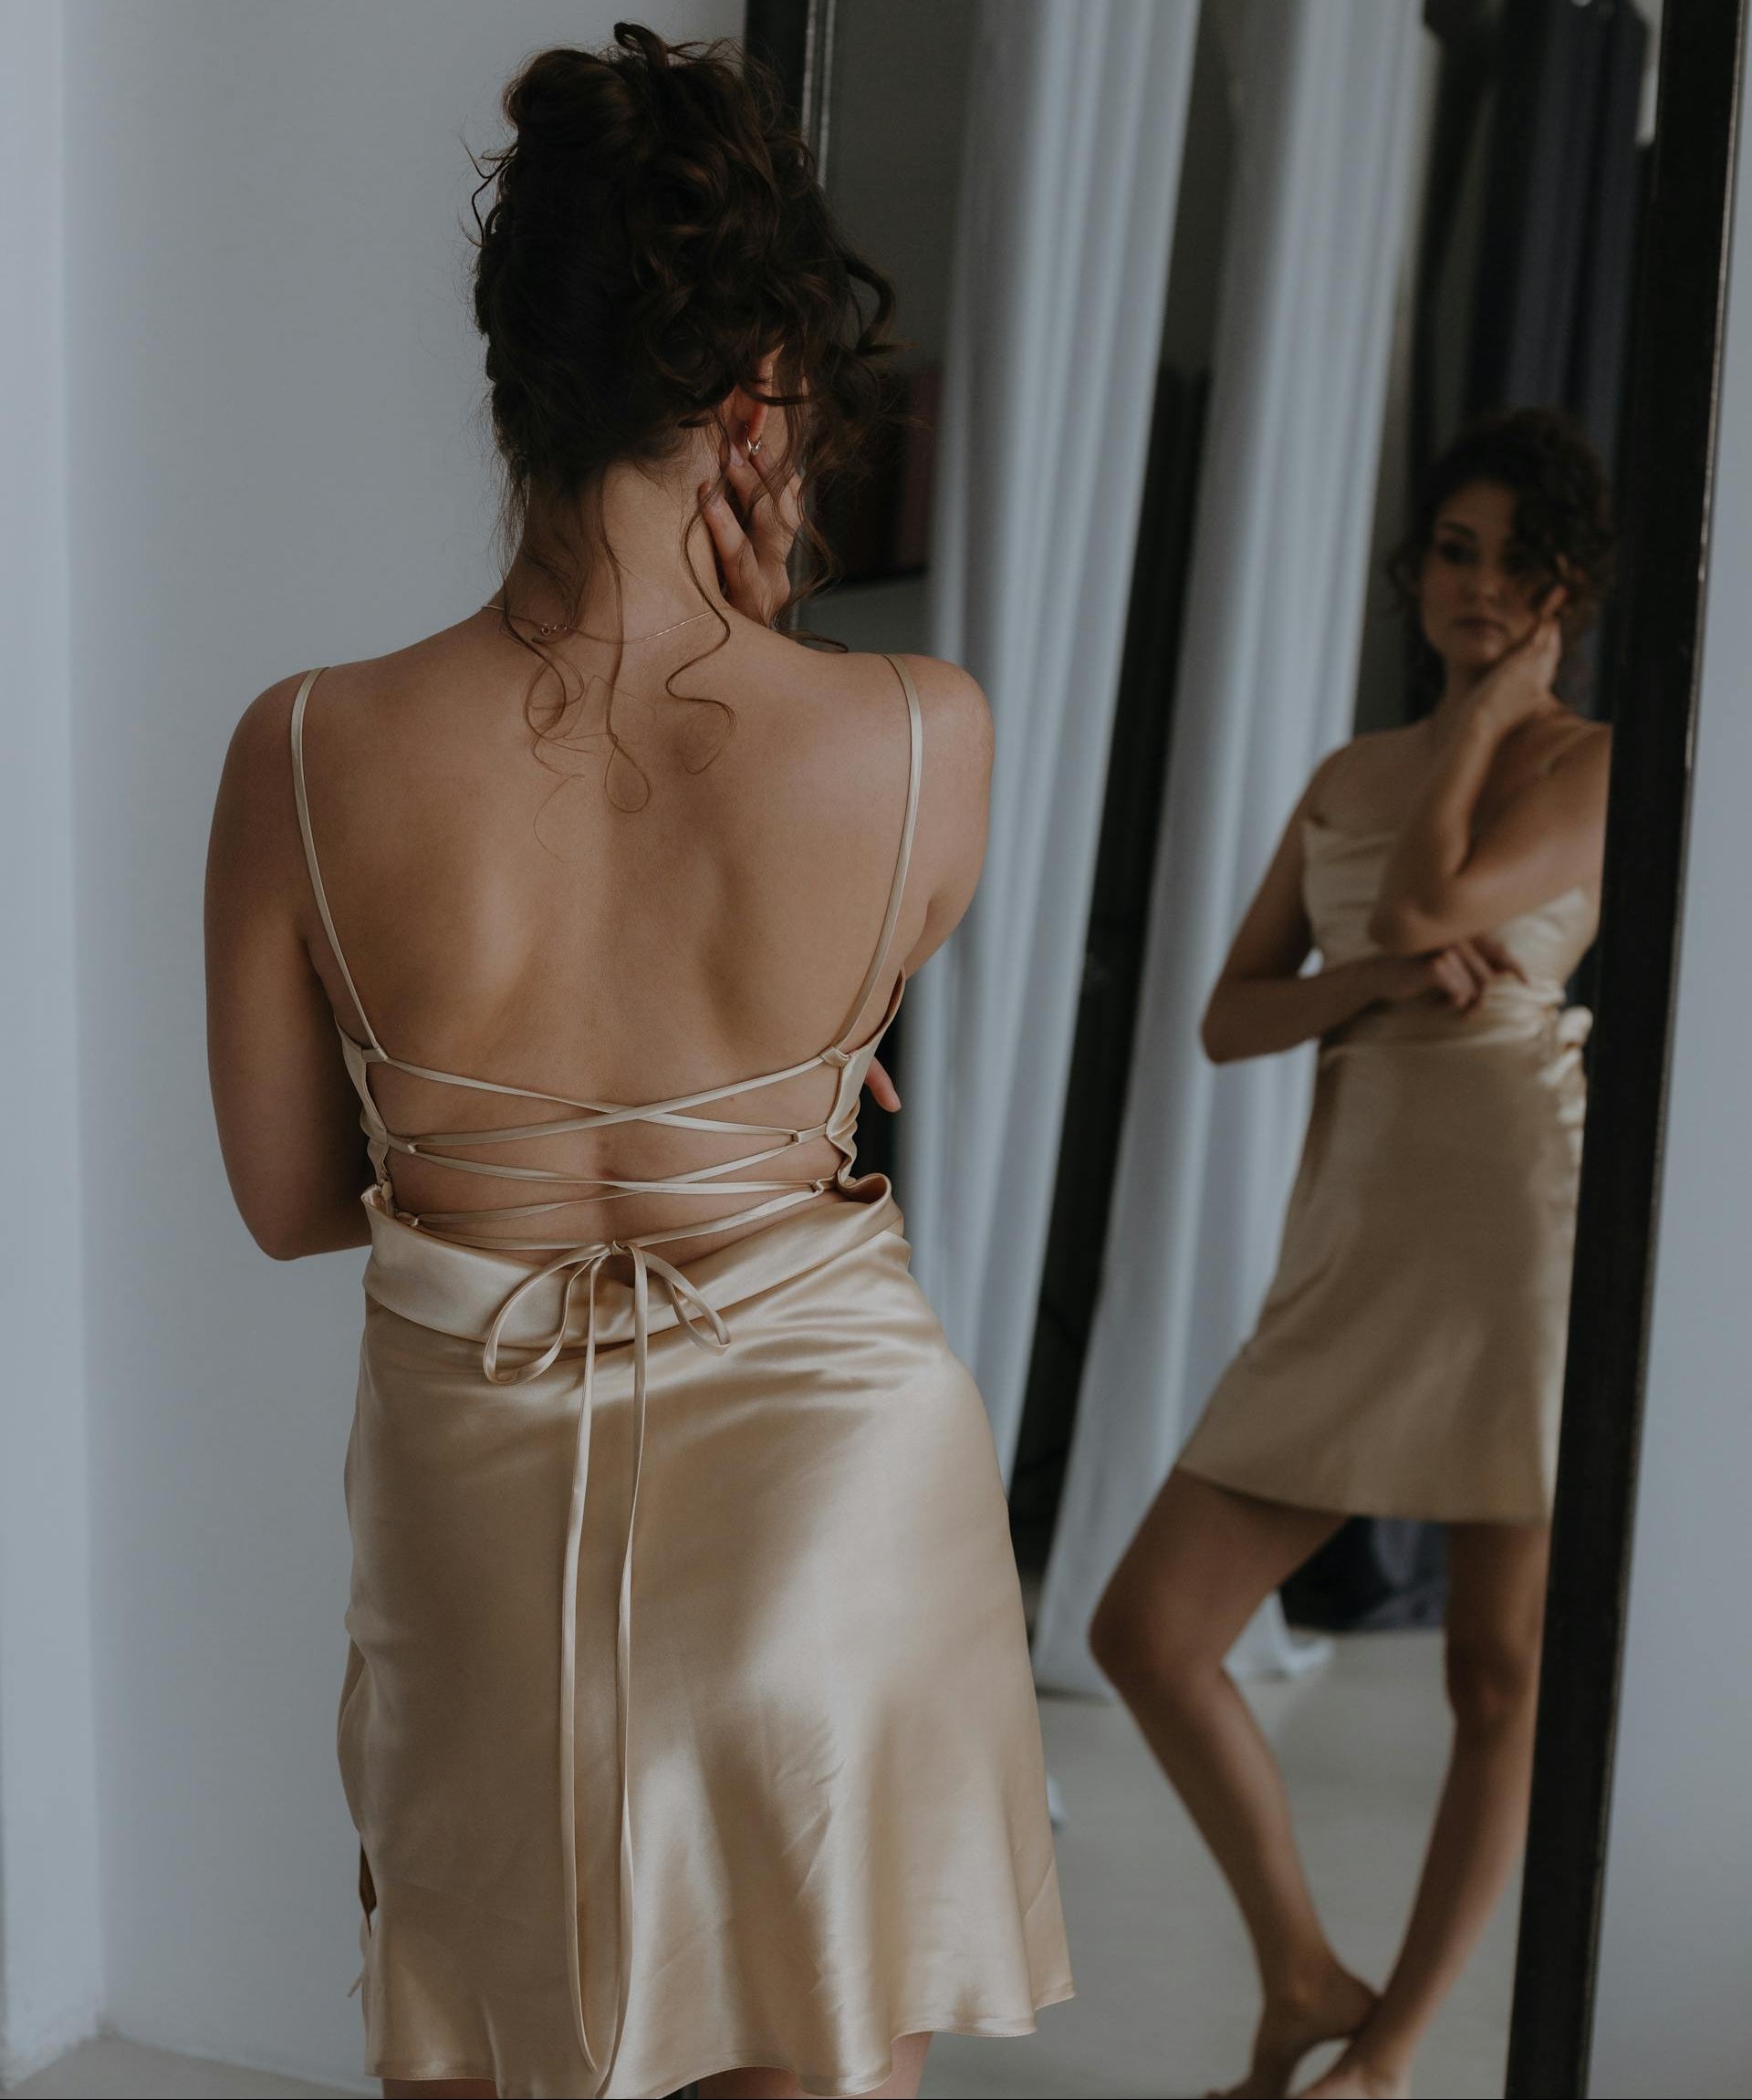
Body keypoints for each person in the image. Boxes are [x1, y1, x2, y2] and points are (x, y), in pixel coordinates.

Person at [203, 27, 1069, 2100]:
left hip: (476, 1490)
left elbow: (287, 1197)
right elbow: (812, 1070)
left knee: (489, 2036)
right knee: (811, 2018)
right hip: (829, 1480)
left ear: (513, 361)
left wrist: (495, 1152)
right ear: (762, 383)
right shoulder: (924, 736)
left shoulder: (308, 749)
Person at [1089, 408, 1613, 2099]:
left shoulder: (1591, 762)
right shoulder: (1342, 779)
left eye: (1516, 561)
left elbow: (1421, 902)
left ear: (1570, 590)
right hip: (1360, 1225)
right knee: (1149, 1629)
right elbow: (1236, 1017)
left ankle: (1386, 2058)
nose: (1479, 583)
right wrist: (1366, 991)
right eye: (1453, 551)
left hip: (1520, 1223)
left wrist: (1483, 720)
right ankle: (1304, 1969)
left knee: (1495, 1668)